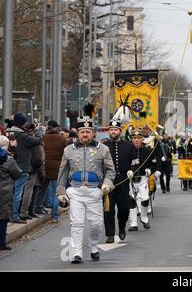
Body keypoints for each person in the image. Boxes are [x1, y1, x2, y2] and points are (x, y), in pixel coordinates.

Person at [56, 113, 115, 264]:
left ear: (93, 133)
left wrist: (107, 184)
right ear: (78, 133)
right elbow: (62, 172)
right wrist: (61, 192)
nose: (85, 135)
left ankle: (93, 246)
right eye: (82, 132)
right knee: (76, 223)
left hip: (94, 191)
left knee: (96, 224)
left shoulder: (103, 149)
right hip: (75, 191)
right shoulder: (68, 150)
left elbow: (110, 170)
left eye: (88, 132)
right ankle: (77, 253)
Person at [103, 119, 137, 243]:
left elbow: (135, 161)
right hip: (108, 182)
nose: (113, 131)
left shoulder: (128, 145)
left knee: (124, 209)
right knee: (108, 209)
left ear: (120, 131)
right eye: (111, 129)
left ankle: (122, 227)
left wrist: (132, 170)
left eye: (115, 129)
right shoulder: (103, 146)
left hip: (123, 181)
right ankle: (110, 234)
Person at [7, 113, 43, 224]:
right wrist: (37, 131)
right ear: (21, 124)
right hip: (22, 167)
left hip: (9, 165)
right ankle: (15, 215)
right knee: (18, 193)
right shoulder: (23, 136)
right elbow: (37, 141)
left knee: (8, 192)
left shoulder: (8, 132)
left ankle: (8, 215)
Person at [35, 120, 66, 222]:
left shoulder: (43, 138)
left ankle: (37, 208)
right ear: (56, 128)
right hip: (57, 169)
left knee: (42, 190)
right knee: (55, 193)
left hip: (44, 168)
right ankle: (54, 217)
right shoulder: (62, 139)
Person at [128, 128, 157, 231]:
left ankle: (144, 217)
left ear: (142, 139)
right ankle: (133, 223)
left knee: (145, 199)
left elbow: (154, 164)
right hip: (130, 179)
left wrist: (150, 170)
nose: (136, 140)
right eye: (134, 138)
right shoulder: (127, 150)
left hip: (143, 179)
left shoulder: (148, 151)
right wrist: (128, 171)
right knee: (131, 200)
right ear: (131, 139)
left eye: (139, 138)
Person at [0, 147, 22, 250]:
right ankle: (1, 243)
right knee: (3, 217)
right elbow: (17, 174)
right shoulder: (9, 160)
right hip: (5, 191)